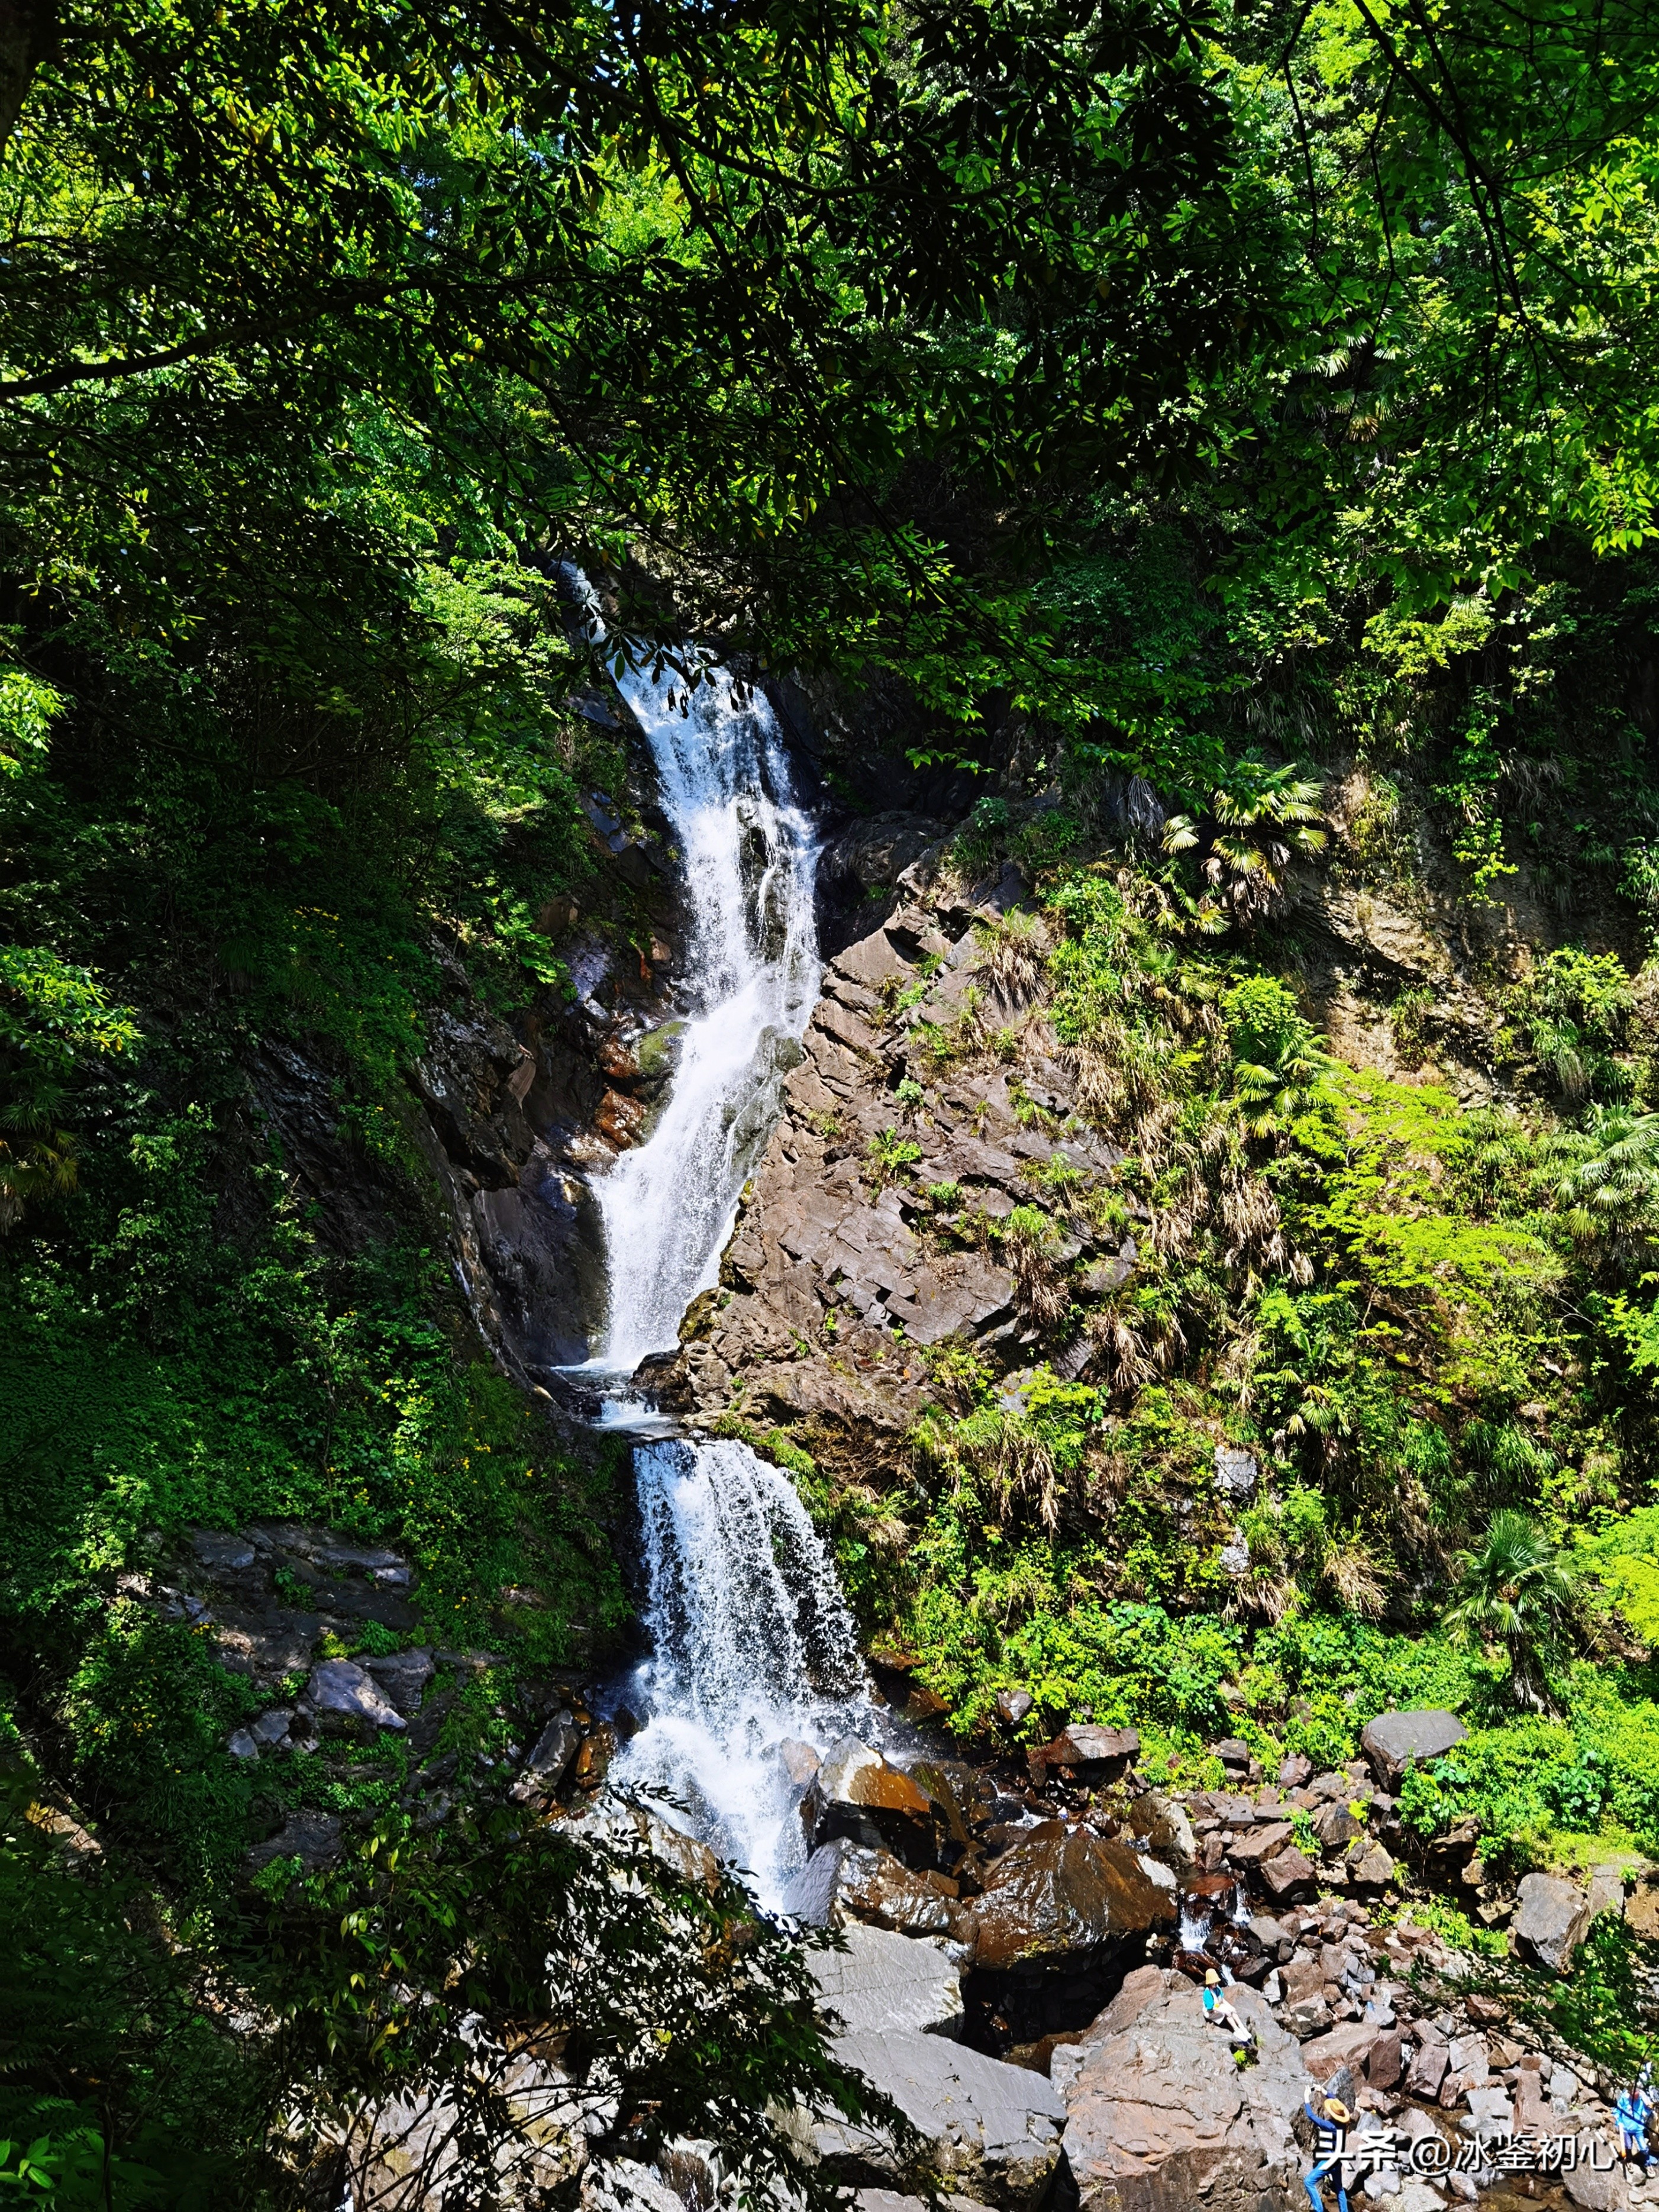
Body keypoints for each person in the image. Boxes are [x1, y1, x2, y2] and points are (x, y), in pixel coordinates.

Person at [1302, 2088, 1353, 2212]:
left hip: (1329, 2162)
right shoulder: (1343, 2124)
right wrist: (1323, 2091)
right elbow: (1336, 2100)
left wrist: (1306, 2098)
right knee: (1339, 2189)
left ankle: (1319, 2209)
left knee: (1308, 2182)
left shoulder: (1330, 2126)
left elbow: (1311, 2116)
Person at [1202, 1967, 1255, 2058]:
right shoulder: (1207, 1993)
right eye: (1213, 1982)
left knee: (1233, 2011)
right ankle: (1236, 2030)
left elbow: (1222, 1999)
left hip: (1218, 2006)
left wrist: (1230, 2008)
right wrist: (1225, 2011)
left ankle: (1242, 2028)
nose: (1215, 1984)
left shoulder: (1217, 1988)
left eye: (1216, 1982)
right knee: (1228, 2014)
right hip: (1212, 2012)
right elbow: (1211, 2007)